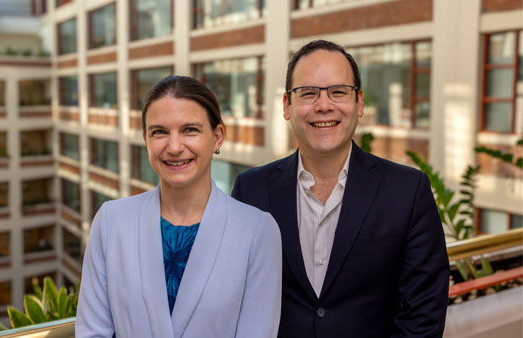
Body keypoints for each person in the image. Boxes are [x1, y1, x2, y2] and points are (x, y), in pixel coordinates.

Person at [231, 40, 449, 337]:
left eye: (338, 92)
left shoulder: (407, 191)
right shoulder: (250, 189)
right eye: (308, 93)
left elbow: (423, 314)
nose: (324, 105)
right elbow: (236, 301)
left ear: (359, 103)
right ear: (287, 106)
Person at [76, 75, 282, 338]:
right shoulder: (110, 222)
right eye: (160, 132)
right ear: (146, 139)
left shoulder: (258, 231)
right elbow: (92, 332)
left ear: (217, 137)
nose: (174, 147)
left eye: (190, 130)